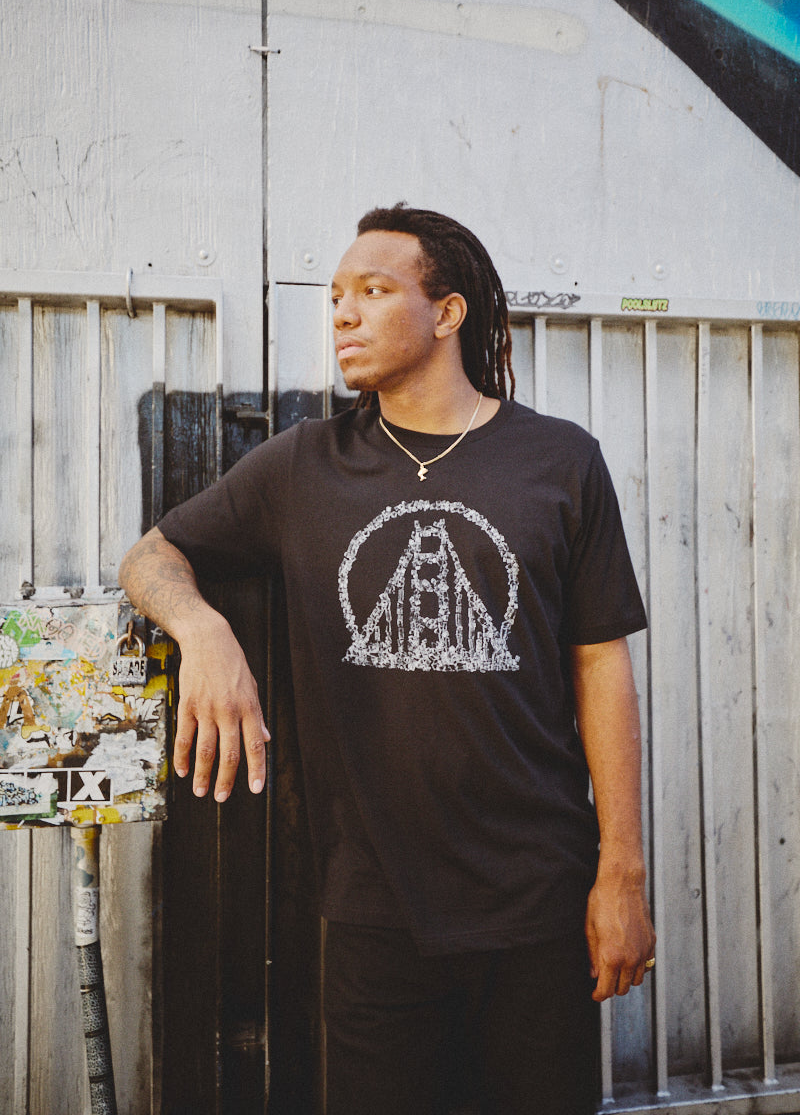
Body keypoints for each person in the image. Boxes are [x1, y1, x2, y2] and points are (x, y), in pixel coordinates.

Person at [119, 203, 655, 1115]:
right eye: (334, 296)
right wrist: (205, 634)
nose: (342, 315)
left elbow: (600, 666)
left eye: (373, 291)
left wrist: (622, 874)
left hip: (538, 898)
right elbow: (150, 560)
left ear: (447, 313)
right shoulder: (304, 466)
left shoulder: (561, 461)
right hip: (374, 908)